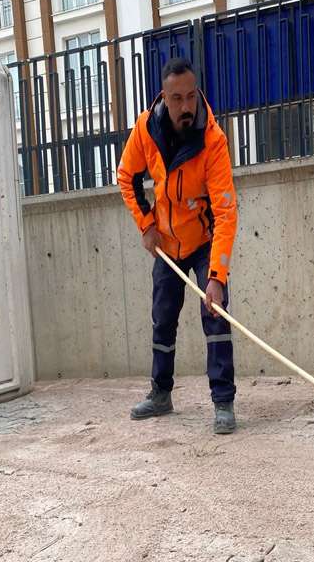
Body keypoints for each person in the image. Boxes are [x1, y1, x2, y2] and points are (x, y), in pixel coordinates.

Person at [117, 57, 240, 434]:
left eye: (191, 97)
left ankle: (223, 402)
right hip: (167, 243)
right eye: (177, 99)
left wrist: (216, 277)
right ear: (164, 97)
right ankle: (161, 394)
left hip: (203, 241)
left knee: (215, 315)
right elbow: (127, 177)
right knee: (163, 317)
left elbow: (225, 212)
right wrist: (146, 225)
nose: (186, 106)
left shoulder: (212, 141)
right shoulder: (146, 129)